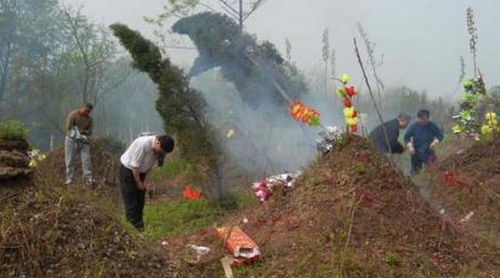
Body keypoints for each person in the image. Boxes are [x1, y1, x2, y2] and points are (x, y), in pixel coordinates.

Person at [119, 134, 174, 231]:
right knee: (131, 203)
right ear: (157, 142)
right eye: (161, 151)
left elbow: (149, 166)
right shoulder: (143, 144)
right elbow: (134, 166)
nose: (161, 153)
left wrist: (144, 181)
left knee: (140, 202)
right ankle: (132, 231)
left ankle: (140, 229)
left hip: (141, 173)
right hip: (129, 171)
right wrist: (139, 183)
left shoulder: (159, 150)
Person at [404, 109, 444, 175]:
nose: (424, 121)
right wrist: (410, 146)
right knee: (415, 172)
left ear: (428, 118)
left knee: (433, 171)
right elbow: (406, 137)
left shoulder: (432, 126)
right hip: (416, 152)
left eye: (425, 119)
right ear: (418, 118)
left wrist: (435, 142)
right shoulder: (414, 126)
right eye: (421, 119)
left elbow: (440, 136)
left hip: (429, 152)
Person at [64, 103, 94, 187]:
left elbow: (90, 131)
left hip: (83, 140)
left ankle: (88, 181)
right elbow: (68, 128)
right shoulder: (73, 115)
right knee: (70, 160)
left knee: (86, 160)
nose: (86, 113)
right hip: (71, 140)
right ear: (82, 108)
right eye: (85, 110)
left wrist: (82, 133)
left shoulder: (89, 119)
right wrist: (74, 134)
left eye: (88, 111)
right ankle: (69, 180)